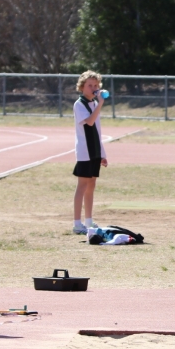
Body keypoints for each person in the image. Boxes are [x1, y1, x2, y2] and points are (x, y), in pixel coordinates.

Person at [72, 71, 108, 235]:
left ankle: (88, 220)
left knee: (92, 185)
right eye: (90, 85)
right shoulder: (79, 104)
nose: (93, 88)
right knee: (82, 185)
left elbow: (98, 130)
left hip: (94, 150)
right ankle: (77, 223)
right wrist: (100, 103)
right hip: (84, 151)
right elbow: (90, 122)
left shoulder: (94, 104)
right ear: (82, 87)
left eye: (96, 85)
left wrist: (102, 153)